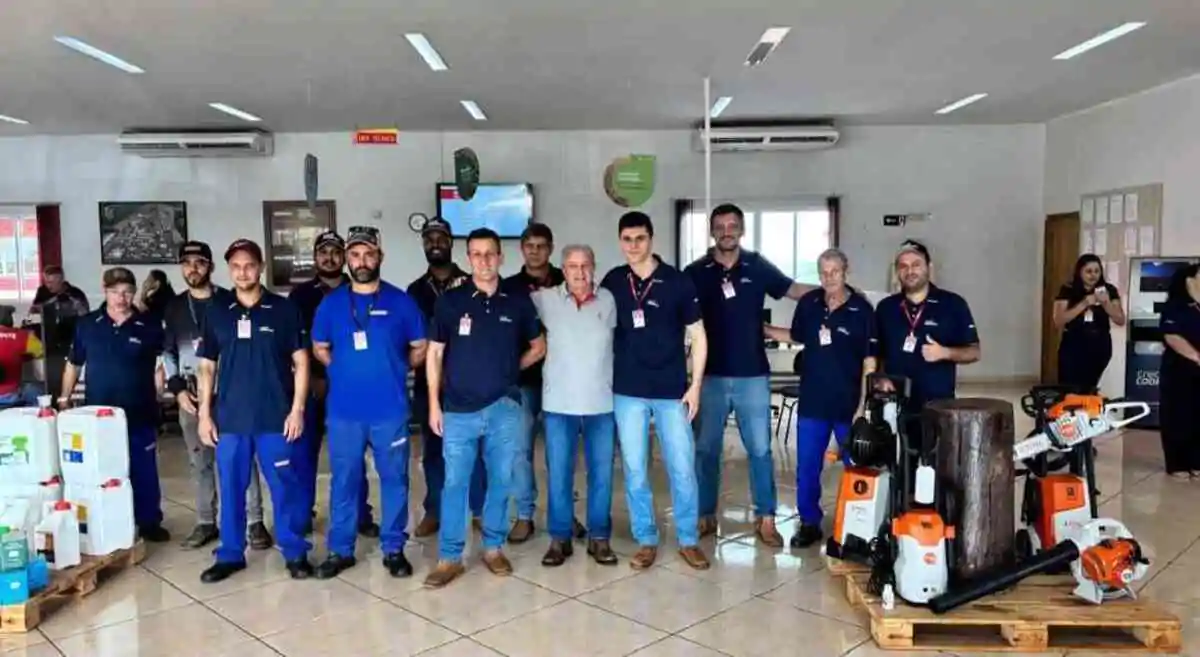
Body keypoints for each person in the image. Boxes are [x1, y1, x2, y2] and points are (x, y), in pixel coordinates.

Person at [423, 228, 546, 588]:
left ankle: (493, 548)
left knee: (500, 480)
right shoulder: (450, 301)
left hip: (504, 408)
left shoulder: (518, 301)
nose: (484, 260)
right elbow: (434, 354)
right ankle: (449, 557)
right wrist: (433, 405)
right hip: (458, 411)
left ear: (500, 257)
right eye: (476, 254)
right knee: (455, 483)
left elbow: (538, 346)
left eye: (490, 253)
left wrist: (509, 370)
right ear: (468, 258)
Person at [685, 203, 812, 548]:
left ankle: (766, 518)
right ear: (712, 231)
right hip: (709, 377)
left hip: (753, 375)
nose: (727, 232)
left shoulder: (757, 266)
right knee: (705, 450)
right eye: (720, 226)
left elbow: (792, 289)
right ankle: (705, 515)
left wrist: (834, 291)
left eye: (733, 226)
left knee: (760, 450)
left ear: (742, 230)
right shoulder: (695, 272)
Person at [311, 226, 427, 579]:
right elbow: (320, 347)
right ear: (347, 259)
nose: (362, 261)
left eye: (369, 254)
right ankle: (341, 550)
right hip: (345, 412)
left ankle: (394, 548)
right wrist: (342, 369)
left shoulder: (401, 302)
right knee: (344, 480)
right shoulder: (331, 304)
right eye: (355, 255)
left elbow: (420, 346)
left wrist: (396, 366)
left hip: (389, 410)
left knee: (394, 480)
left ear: (380, 257)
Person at [195, 239, 313, 583]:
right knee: (232, 488)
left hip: (276, 417)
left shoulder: (284, 309)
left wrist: (297, 409)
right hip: (231, 420)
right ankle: (230, 554)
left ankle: (295, 552)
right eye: (235, 266)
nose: (242, 272)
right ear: (228, 270)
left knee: (284, 487)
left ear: (260, 267)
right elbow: (206, 367)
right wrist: (204, 414)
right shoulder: (217, 311)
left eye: (249, 265)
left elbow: (301, 361)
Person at [601, 211, 710, 571]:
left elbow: (698, 335)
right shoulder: (613, 281)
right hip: (627, 391)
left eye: (640, 238)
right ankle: (646, 538)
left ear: (651, 239)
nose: (633, 245)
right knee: (635, 469)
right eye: (627, 239)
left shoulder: (677, 282)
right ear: (620, 241)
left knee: (682, 467)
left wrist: (695, 387)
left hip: (671, 392)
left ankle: (688, 540)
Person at [162, 241, 272, 550]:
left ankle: (254, 521)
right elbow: (167, 353)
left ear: (210, 267)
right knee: (200, 461)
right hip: (191, 395)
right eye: (187, 263)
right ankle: (206, 521)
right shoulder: (174, 307)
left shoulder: (229, 302)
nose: (193, 268)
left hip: (230, 395)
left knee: (242, 459)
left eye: (199, 262)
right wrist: (177, 390)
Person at [765, 249, 877, 548]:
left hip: (848, 406)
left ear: (846, 271)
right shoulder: (809, 303)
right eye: (823, 273)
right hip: (813, 403)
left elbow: (869, 361)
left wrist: (863, 406)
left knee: (856, 466)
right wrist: (764, 330)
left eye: (834, 272)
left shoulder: (862, 310)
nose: (828, 278)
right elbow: (797, 335)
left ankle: (858, 523)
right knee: (807, 468)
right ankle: (809, 522)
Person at [59, 267, 169, 542]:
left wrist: (160, 391)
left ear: (134, 292)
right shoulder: (88, 324)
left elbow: (161, 364)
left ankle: (149, 521)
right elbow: (74, 364)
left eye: (127, 292)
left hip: (139, 411)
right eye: (115, 292)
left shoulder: (149, 325)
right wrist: (64, 397)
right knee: (102, 470)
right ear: (105, 291)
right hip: (99, 417)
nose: (121, 298)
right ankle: (108, 519)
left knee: (143, 470)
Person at [531, 244, 618, 567]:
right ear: (563, 269)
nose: (579, 272)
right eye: (572, 266)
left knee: (602, 474)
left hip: (601, 404)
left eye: (585, 265)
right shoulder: (544, 300)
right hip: (558, 404)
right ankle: (560, 538)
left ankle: (599, 537)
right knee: (559, 474)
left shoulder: (609, 300)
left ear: (594, 267)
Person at [287, 231, 377, 538]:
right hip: (311, 386)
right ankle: (302, 514)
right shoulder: (300, 296)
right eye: (323, 252)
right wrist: (311, 379)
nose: (329, 258)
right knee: (304, 455)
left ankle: (360, 515)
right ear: (315, 257)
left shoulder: (361, 290)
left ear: (345, 257)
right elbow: (294, 343)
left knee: (353, 454)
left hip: (351, 387)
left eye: (336, 252)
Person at [405, 217, 485, 538]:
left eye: (440, 238)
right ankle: (435, 510)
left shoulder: (471, 283)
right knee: (434, 451)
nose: (435, 243)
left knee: (475, 450)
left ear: (451, 242)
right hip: (429, 384)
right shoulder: (414, 291)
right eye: (429, 239)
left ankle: (478, 509)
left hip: (467, 381)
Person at [501, 222, 567, 543]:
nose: (536, 251)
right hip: (523, 380)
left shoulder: (568, 280)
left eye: (542, 245)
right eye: (530, 246)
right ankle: (524, 515)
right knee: (519, 451)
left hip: (563, 381)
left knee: (560, 453)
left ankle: (563, 515)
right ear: (522, 249)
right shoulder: (509, 288)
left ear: (551, 248)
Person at [875, 240, 980, 421]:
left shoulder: (953, 304)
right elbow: (878, 353)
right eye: (903, 266)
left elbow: (974, 352)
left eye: (916, 264)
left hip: (938, 407)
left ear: (929, 267)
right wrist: (881, 377)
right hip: (894, 405)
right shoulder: (886, 307)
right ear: (897, 271)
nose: (910, 271)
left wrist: (945, 352)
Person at [1053, 254, 1126, 391]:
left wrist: (1106, 303)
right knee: (1069, 386)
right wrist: (1084, 303)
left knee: (1090, 386)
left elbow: (1120, 320)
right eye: (1088, 271)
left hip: (1100, 343)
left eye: (1097, 271)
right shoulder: (1068, 289)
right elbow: (1059, 320)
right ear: (1079, 272)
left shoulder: (1109, 290)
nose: (1093, 275)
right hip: (1074, 343)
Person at [1158, 264, 1200, 478]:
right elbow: (1172, 336)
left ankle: (1197, 461)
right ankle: (1177, 464)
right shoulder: (1175, 306)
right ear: (1189, 281)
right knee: (1178, 415)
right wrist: (1196, 357)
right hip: (1179, 369)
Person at [0, 306, 44, 408]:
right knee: (37, 392)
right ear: (10, 320)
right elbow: (41, 352)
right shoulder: (23, 336)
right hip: (11, 395)